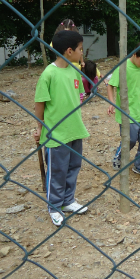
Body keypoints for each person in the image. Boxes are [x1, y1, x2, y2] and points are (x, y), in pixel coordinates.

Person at [33, 30, 90, 226]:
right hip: (56, 134)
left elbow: (80, 96)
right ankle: (54, 206)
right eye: (80, 49)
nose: (82, 53)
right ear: (69, 51)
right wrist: (39, 128)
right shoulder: (48, 73)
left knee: (73, 167)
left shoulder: (74, 70)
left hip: (74, 130)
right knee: (57, 170)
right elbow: (40, 103)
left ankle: (68, 200)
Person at [107, 44, 140, 179]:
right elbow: (111, 85)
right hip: (127, 112)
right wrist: (112, 103)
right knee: (130, 140)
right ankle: (118, 157)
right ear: (135, 55)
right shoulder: (122, 68)